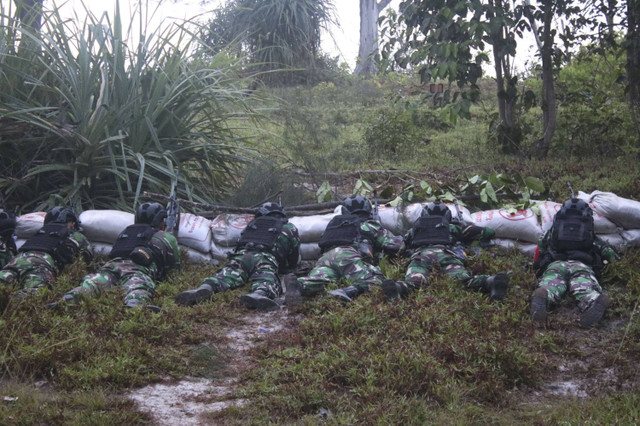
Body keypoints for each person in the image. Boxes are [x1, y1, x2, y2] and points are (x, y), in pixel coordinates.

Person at [50, 202, 180, 311]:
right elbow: (173, 270)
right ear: (159, 220)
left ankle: (69, 298)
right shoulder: (165, 237)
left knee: (92, 284)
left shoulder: (126, 232)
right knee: (138, 287)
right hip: (137, 270)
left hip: (110, 267)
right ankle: (134, 305)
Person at [175, 202, 300, 311]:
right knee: (266, 278)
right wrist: (289, 267)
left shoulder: (252, 225)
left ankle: (206, 287)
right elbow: (293, 254)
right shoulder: (288, 228)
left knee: (225, 275)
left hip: (241, 255)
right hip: (265, 258)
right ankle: (259, 293)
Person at [285, 195, 402, 306]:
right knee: (376, 282)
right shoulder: (369, 225)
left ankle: (298, 285)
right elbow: (394, 245)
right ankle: (347, 291)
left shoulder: (334, 226)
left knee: (322, 280)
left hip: (325, 259)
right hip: (348, 257)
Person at [381, 201, 509, 302]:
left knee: (414, 283)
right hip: (446, 255)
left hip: (421, 257)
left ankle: (398, 288)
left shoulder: (414, 230)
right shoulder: (451, 227)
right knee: (464, 280)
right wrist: (460, 225)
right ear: (447, 216)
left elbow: (402, 247)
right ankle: (490, 281)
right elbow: (487, 232)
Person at [530, 198, 617, 327]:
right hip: (582, 266)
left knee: (552, 284)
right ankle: (593, 300)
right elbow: (606, 251)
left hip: (556, 264)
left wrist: (536, 266)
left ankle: (544, 294)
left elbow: (540, 248)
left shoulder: (553, 230)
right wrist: (614, 259)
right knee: (584, 288)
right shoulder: (590, 233)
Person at [0, 206, 92, 296]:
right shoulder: (76, 235)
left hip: (14, 263)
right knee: (33, 297)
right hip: (38, 266)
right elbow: (87, 259)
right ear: (71, 223)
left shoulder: (38, 233)